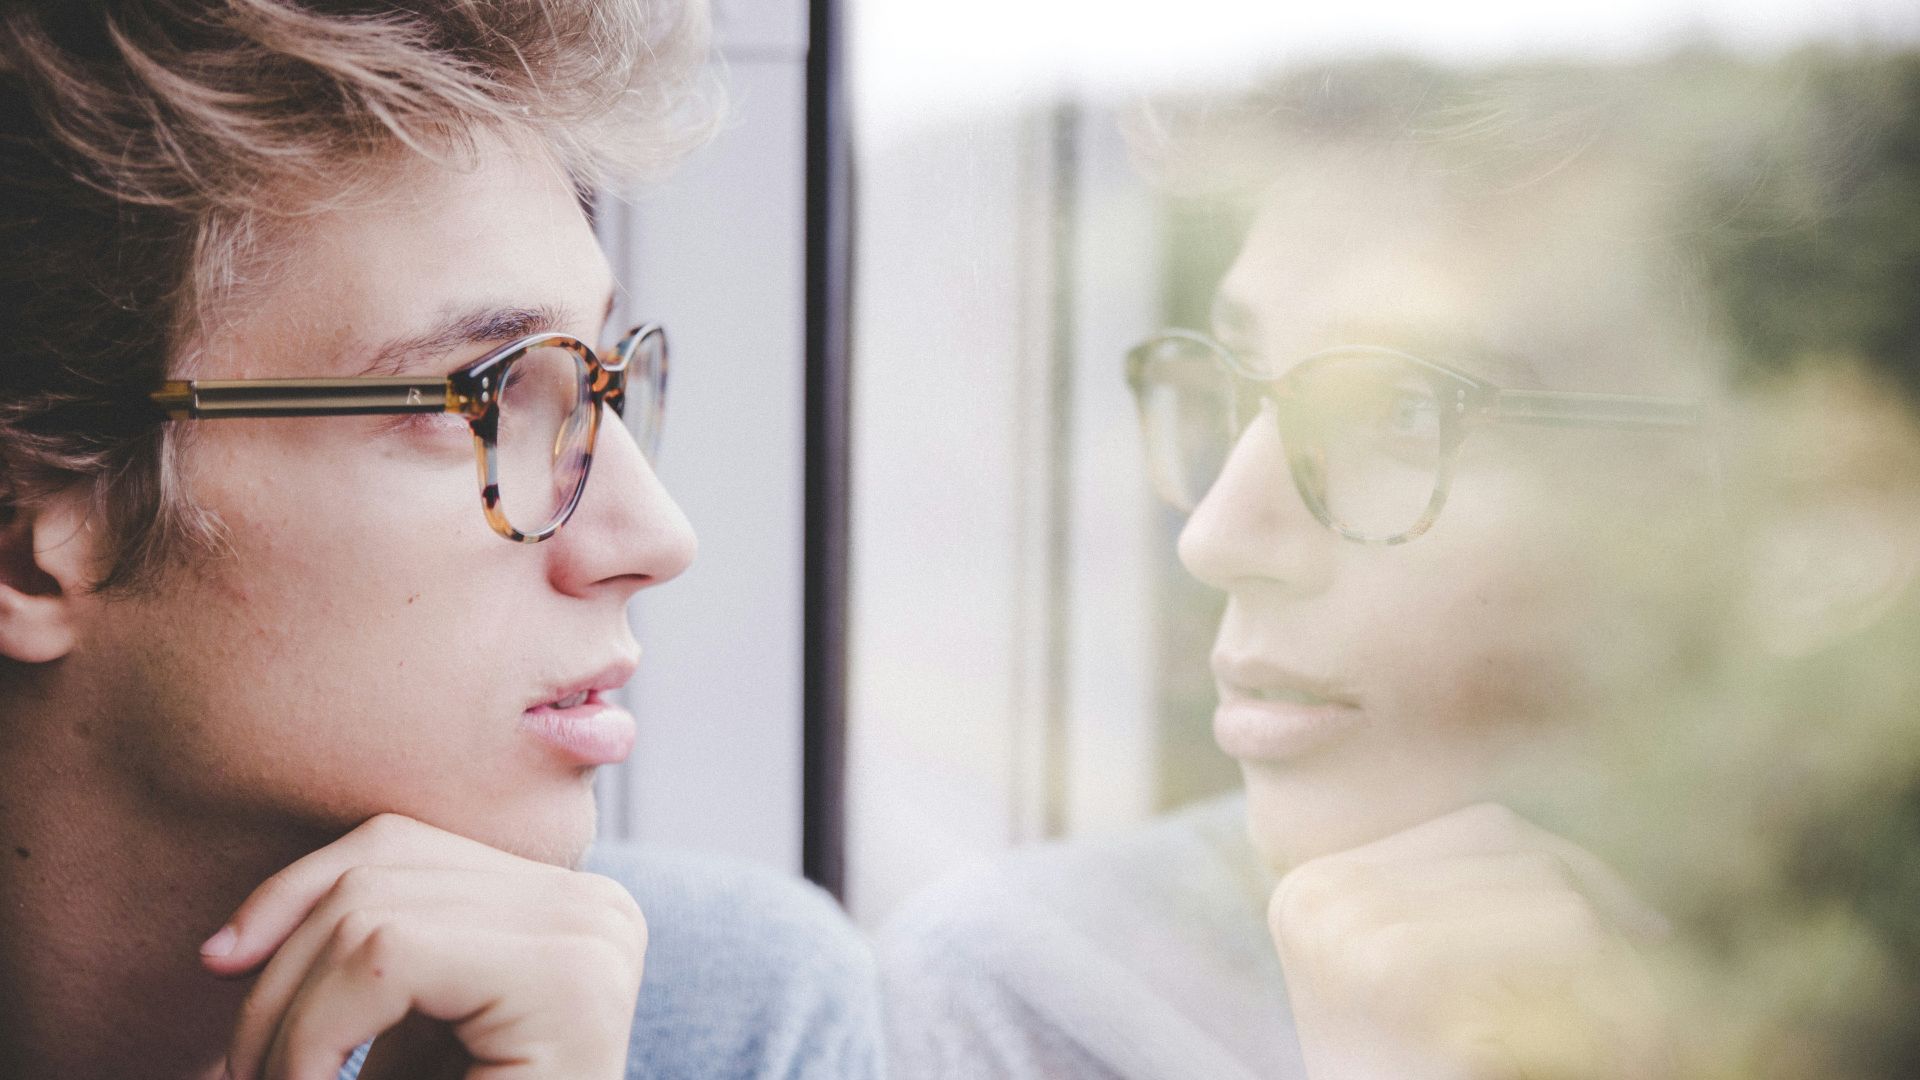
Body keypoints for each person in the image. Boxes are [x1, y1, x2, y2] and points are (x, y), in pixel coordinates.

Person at [879, 51, 1920, 1079]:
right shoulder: (1039, 1001)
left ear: (1818, 508)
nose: (1218, 535)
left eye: (1402, 411)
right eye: (1239, 384)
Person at [0, 3, 880, 1078]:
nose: (655, 535)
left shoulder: (733, 1018)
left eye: (596, 377)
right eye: (492, 393)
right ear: (25, 534)